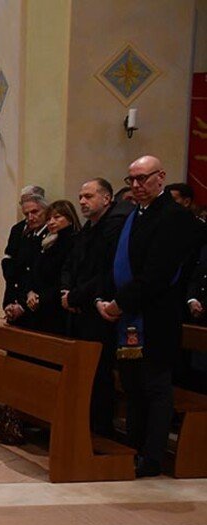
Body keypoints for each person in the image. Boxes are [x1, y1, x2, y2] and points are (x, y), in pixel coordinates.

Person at [97, 155, 201, 477]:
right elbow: (116, 265)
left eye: (143, 178)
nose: (137, 186)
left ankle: (152, 456)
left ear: (161, 178)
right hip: (129, 313)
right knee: (131, 386)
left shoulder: (175, 218)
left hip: (156, 317)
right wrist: (104, 298)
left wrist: (117, 305)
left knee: (155, 387)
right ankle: (134, 446)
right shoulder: (133, 217)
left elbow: (157, 274)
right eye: (132, 180)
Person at [60, 178, 129, 437]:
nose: (82, 202)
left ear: (107, 198)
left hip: (97, 312)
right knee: (83, 372)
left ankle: (99, 429)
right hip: (79, 308)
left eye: (88, 196)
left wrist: (76, 297)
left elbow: (105, 271)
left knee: (99, 374)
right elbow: (70, 264)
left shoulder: (114, 227)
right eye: (80, 196)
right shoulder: (89, 228)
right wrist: (66, 293)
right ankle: (83, 423)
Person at [22, 200, 79, 335]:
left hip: (57, 307)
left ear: (70, 218)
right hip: (39, 304)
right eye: (48, 219)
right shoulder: (46, 242)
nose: (51, 222)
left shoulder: (73, 241)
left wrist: (41, 297)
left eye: (57, 217)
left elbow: (64, 276)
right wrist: (30, 292)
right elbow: (33, 270)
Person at [2, 193, 50, 326]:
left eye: (35, 212)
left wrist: (23, 305)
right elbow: (13, 268)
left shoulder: (50, 236)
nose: (30, 218)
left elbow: (40, 274)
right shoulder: (23, 233)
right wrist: (10, 302)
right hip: (19, 300)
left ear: (46, 210)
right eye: (26, 214)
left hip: (38, 306)